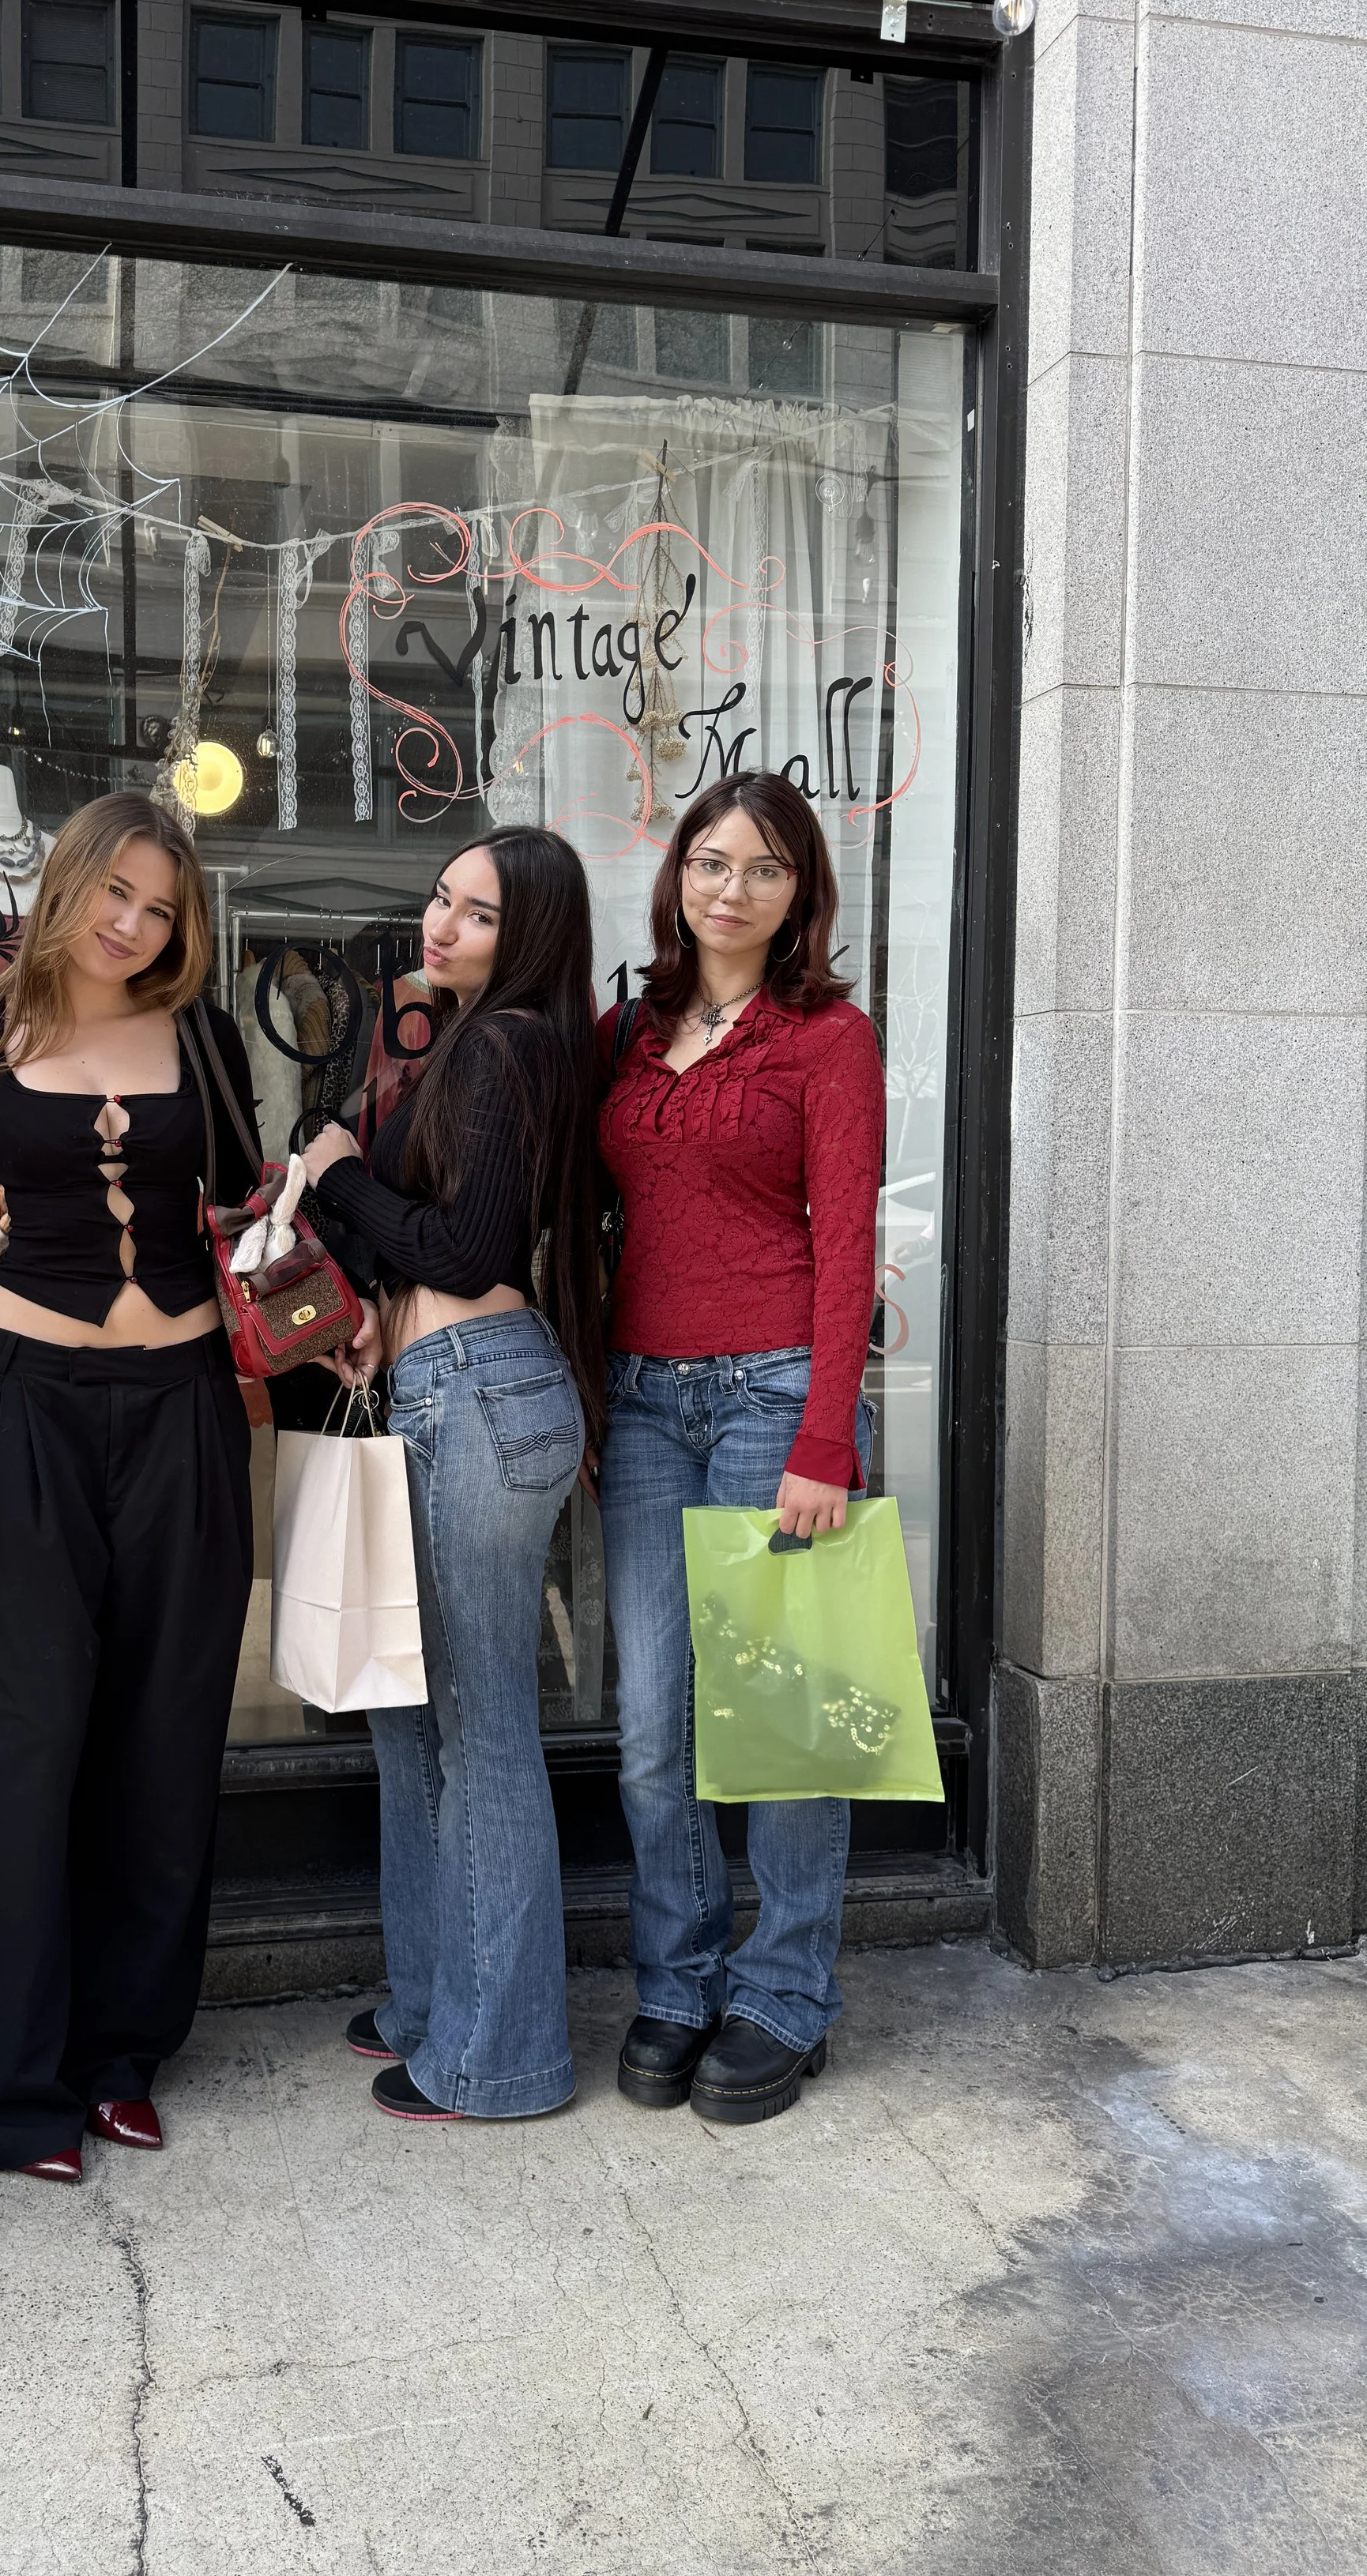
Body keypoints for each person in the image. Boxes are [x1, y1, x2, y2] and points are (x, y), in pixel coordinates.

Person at [0, 792, 262, 2183]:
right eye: (114, 891)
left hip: (180, 1413)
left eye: (161, 906)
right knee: (25, 1741)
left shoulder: (207, 1039)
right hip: (24, 1415)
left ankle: (121, 2054)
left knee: (167, 1739)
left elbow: (248, 1204)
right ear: (66, 883)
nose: (132, 923)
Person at [303, 827, 605, 2123]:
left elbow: (472, 1248)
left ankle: (503, 2057)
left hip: (478, 1399)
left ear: (524, 935)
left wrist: (337, 1177)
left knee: (476, 1737)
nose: (441, 926)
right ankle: (435, 2003)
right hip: (463, 1388)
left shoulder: (509, 1041)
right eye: (440, 899)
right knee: (413, 1725)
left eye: (475, 915)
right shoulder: (502, 1043)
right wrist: (378, 1291)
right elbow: (444, 1246)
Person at [597, 772, 885, 2126]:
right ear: (678, 879)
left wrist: (828, 1436)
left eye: (764, 869)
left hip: (776, 1398)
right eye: (712, 862)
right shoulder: (629, 1032)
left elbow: (847, 1247)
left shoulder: (830, 1041)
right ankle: (680, 1978)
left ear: (800, 892)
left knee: (781, 1726)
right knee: (655, 1729)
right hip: (645, 1405)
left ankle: (784, 1993)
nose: (732, 888)